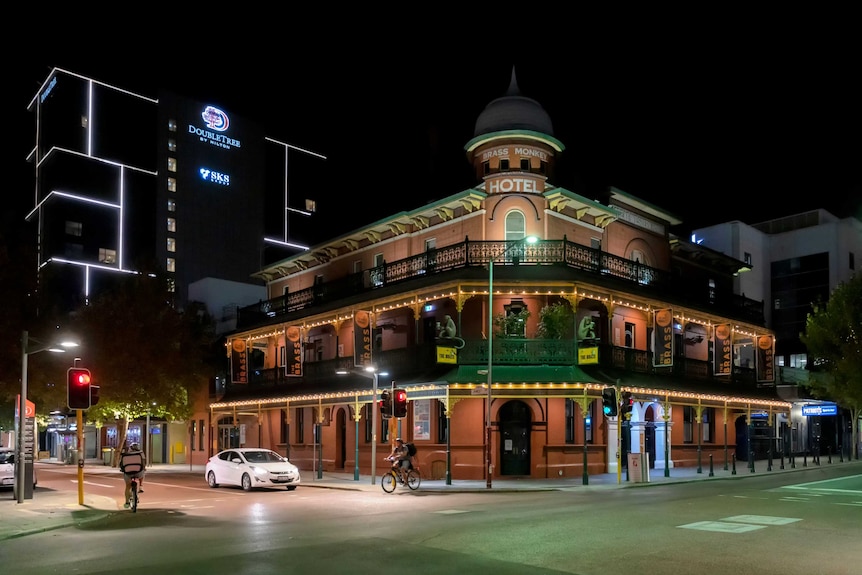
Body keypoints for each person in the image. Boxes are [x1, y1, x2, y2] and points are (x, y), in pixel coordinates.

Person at [119, 441, 147, 508]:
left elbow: (121, 464)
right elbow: (143, 463)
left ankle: (127, 502)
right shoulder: (141, 453)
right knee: (143, 473)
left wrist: (122, 470)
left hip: (128, 473)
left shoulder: (126, 454)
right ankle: (141, 485)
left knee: (127, 487)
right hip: (138, 472)